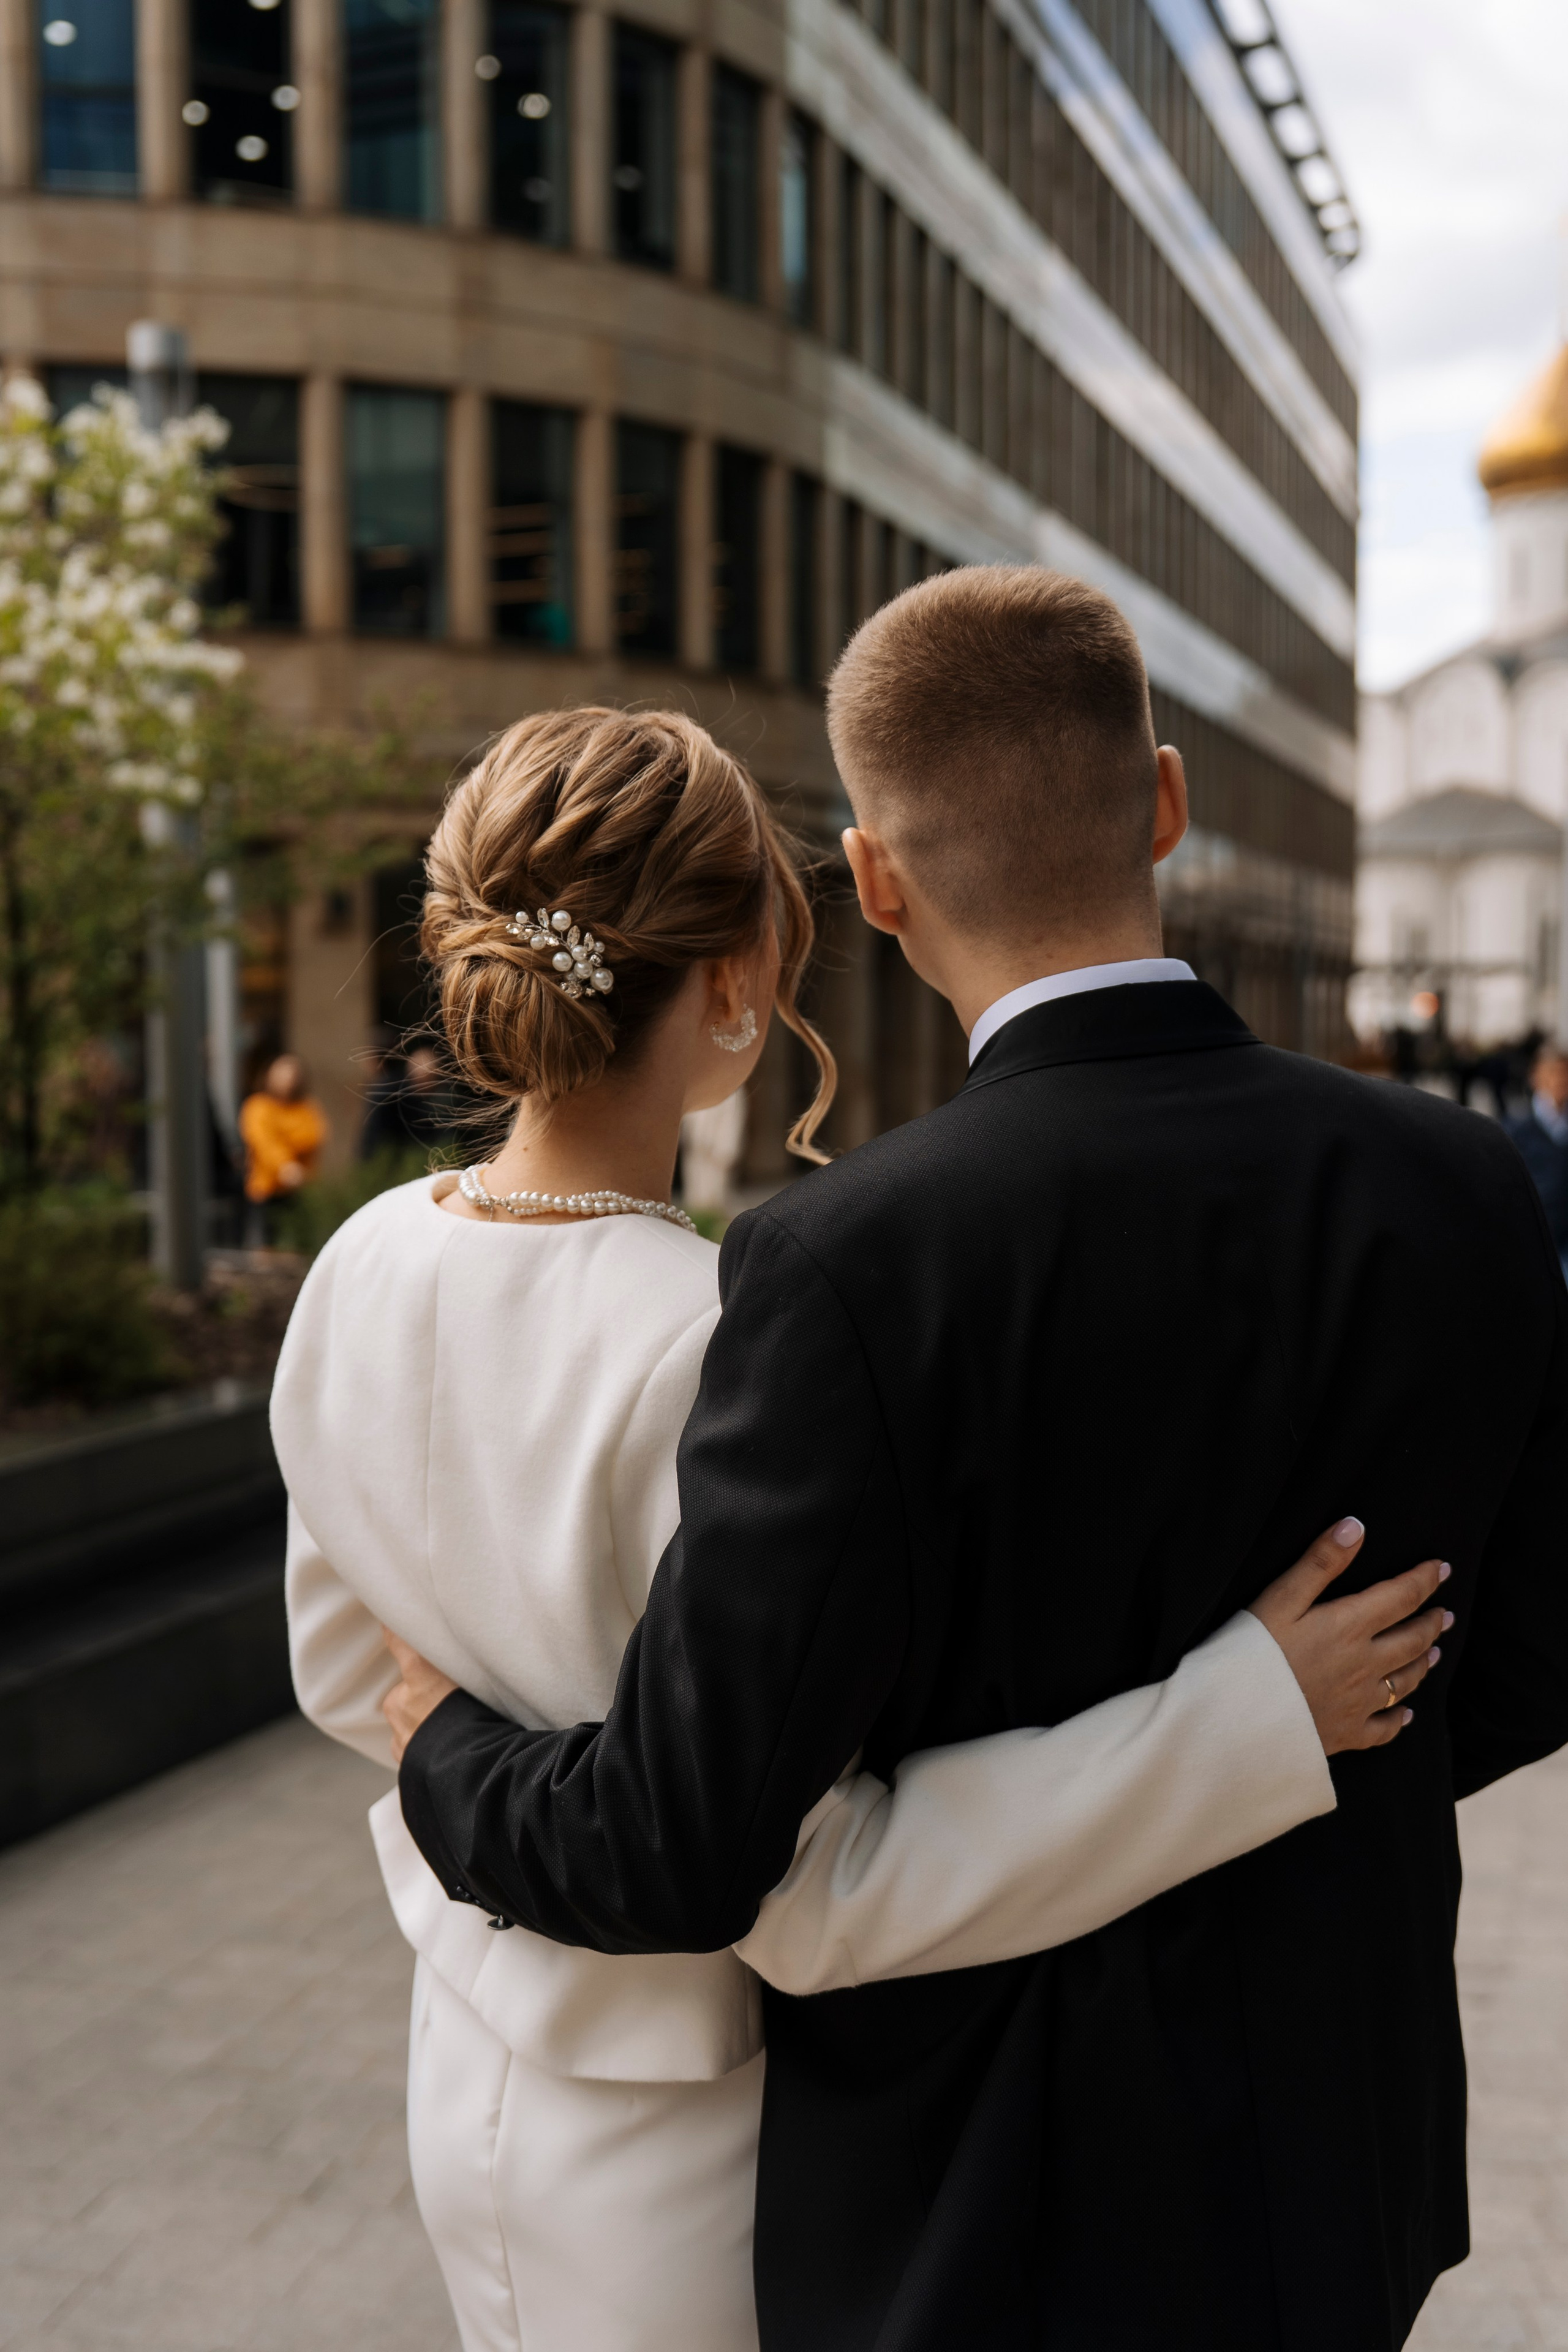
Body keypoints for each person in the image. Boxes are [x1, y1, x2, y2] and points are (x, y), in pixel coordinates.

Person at [390, 573, 1568, 2351]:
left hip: (981, 2212)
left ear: (873, 883)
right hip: (1345, 2156)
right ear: (1166, 800)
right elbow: (1531, 1658)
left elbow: (690, 1848)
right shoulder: (1460, 1182)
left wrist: (441, 1753)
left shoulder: (842, 1267)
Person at [238, 1052, 327, 1246]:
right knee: (265, 1247)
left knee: (297, 1246)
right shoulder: (258, 1106)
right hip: (266, 1190)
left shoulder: (308, 1108)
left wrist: (283, 1141)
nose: (288, 1079)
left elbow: (313, 1137)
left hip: (300, 1189)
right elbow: (264, 1142)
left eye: (292, 1073)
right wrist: (286, 1165)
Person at [1506, 1040, 1568, 1280]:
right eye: (1552, 1073)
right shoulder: (1518, 1129)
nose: (1559, 1081)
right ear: (1536, 1078)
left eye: (1564, 1074)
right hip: (1540, 1234)